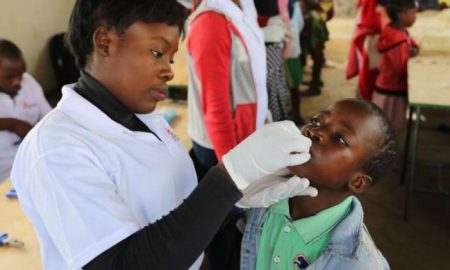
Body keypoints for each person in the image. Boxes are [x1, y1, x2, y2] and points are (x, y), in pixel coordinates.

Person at [10, 1, 318, 270]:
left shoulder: (144, 118)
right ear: (104, 42)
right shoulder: (57, 151)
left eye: (170, 58)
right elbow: (124, 264)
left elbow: (173, 208)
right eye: (157, 52)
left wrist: (235, 201)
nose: (170, 71)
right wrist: (226, 181)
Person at [240, 99, 398, 270]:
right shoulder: (262, 197)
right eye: (316, 121)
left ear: (357, 182)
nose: (315, 131)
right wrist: (236, 192)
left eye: (340, 138)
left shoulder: (361, 264)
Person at [186, 1, 269, 268]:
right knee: (224, 236)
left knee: (237, 230)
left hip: (242, 140)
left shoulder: (241, 9)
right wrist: (233, 174)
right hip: (221, 150)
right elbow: (216, 108)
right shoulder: (211, 21)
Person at [0, 38, 51, 183]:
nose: (17, 81)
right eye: (8, 77)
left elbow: (50, 119)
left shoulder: (29, 82)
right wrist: (12, 124)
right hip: (4, 173)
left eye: (20, 74)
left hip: (35, 162)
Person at [372, 0, 419, 129]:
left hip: (386, 85)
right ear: (402, 15)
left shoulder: (394, 29)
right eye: (413, 13)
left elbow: (410, 42)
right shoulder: (398, 40)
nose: (416, 17)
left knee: (383, 125)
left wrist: (412, 48)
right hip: (392, 89)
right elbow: (400, 68)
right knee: (387, 127)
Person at [299, 0, 329, 96]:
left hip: (313, 23)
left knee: (317, 56)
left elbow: (313, 4)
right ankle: (316, 82)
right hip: (315, 20)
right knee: (317, 55)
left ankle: (315, 86)